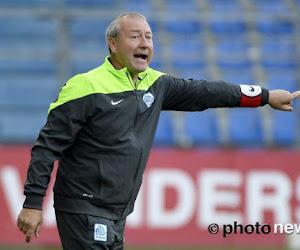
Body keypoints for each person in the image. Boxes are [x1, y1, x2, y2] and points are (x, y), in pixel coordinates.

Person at [17, 12, 300, 249]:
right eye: (135, 36)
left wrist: (264, 96)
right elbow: (47, 147)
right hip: (83, 208)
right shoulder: (85, 86)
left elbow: (206, 92)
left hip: (117, 213)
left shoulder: (156, 84)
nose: (145, 43)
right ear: (112, 44)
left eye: (149, 37)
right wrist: (32, 202)